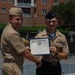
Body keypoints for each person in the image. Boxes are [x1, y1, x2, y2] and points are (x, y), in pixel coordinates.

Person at [1, 7, 42, 75]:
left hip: (11, 65)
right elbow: (25, 53)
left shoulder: (10, 29)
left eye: (21, 19)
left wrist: (24, 48)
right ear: (10, 18)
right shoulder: (12, 33)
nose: (20, 22)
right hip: (13, 66)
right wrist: (37, 61)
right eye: (17, 19)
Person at [35, 10, 69, 75]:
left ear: (57, 22)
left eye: (53, 21)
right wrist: (37, 61)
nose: (51, 23)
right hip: (43, 67)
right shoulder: (39, 36)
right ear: (45, 22)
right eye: (49, 21)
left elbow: (66, 56)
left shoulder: (62, 37)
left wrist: (57, 53)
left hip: (56, 68)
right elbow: (35, 54)